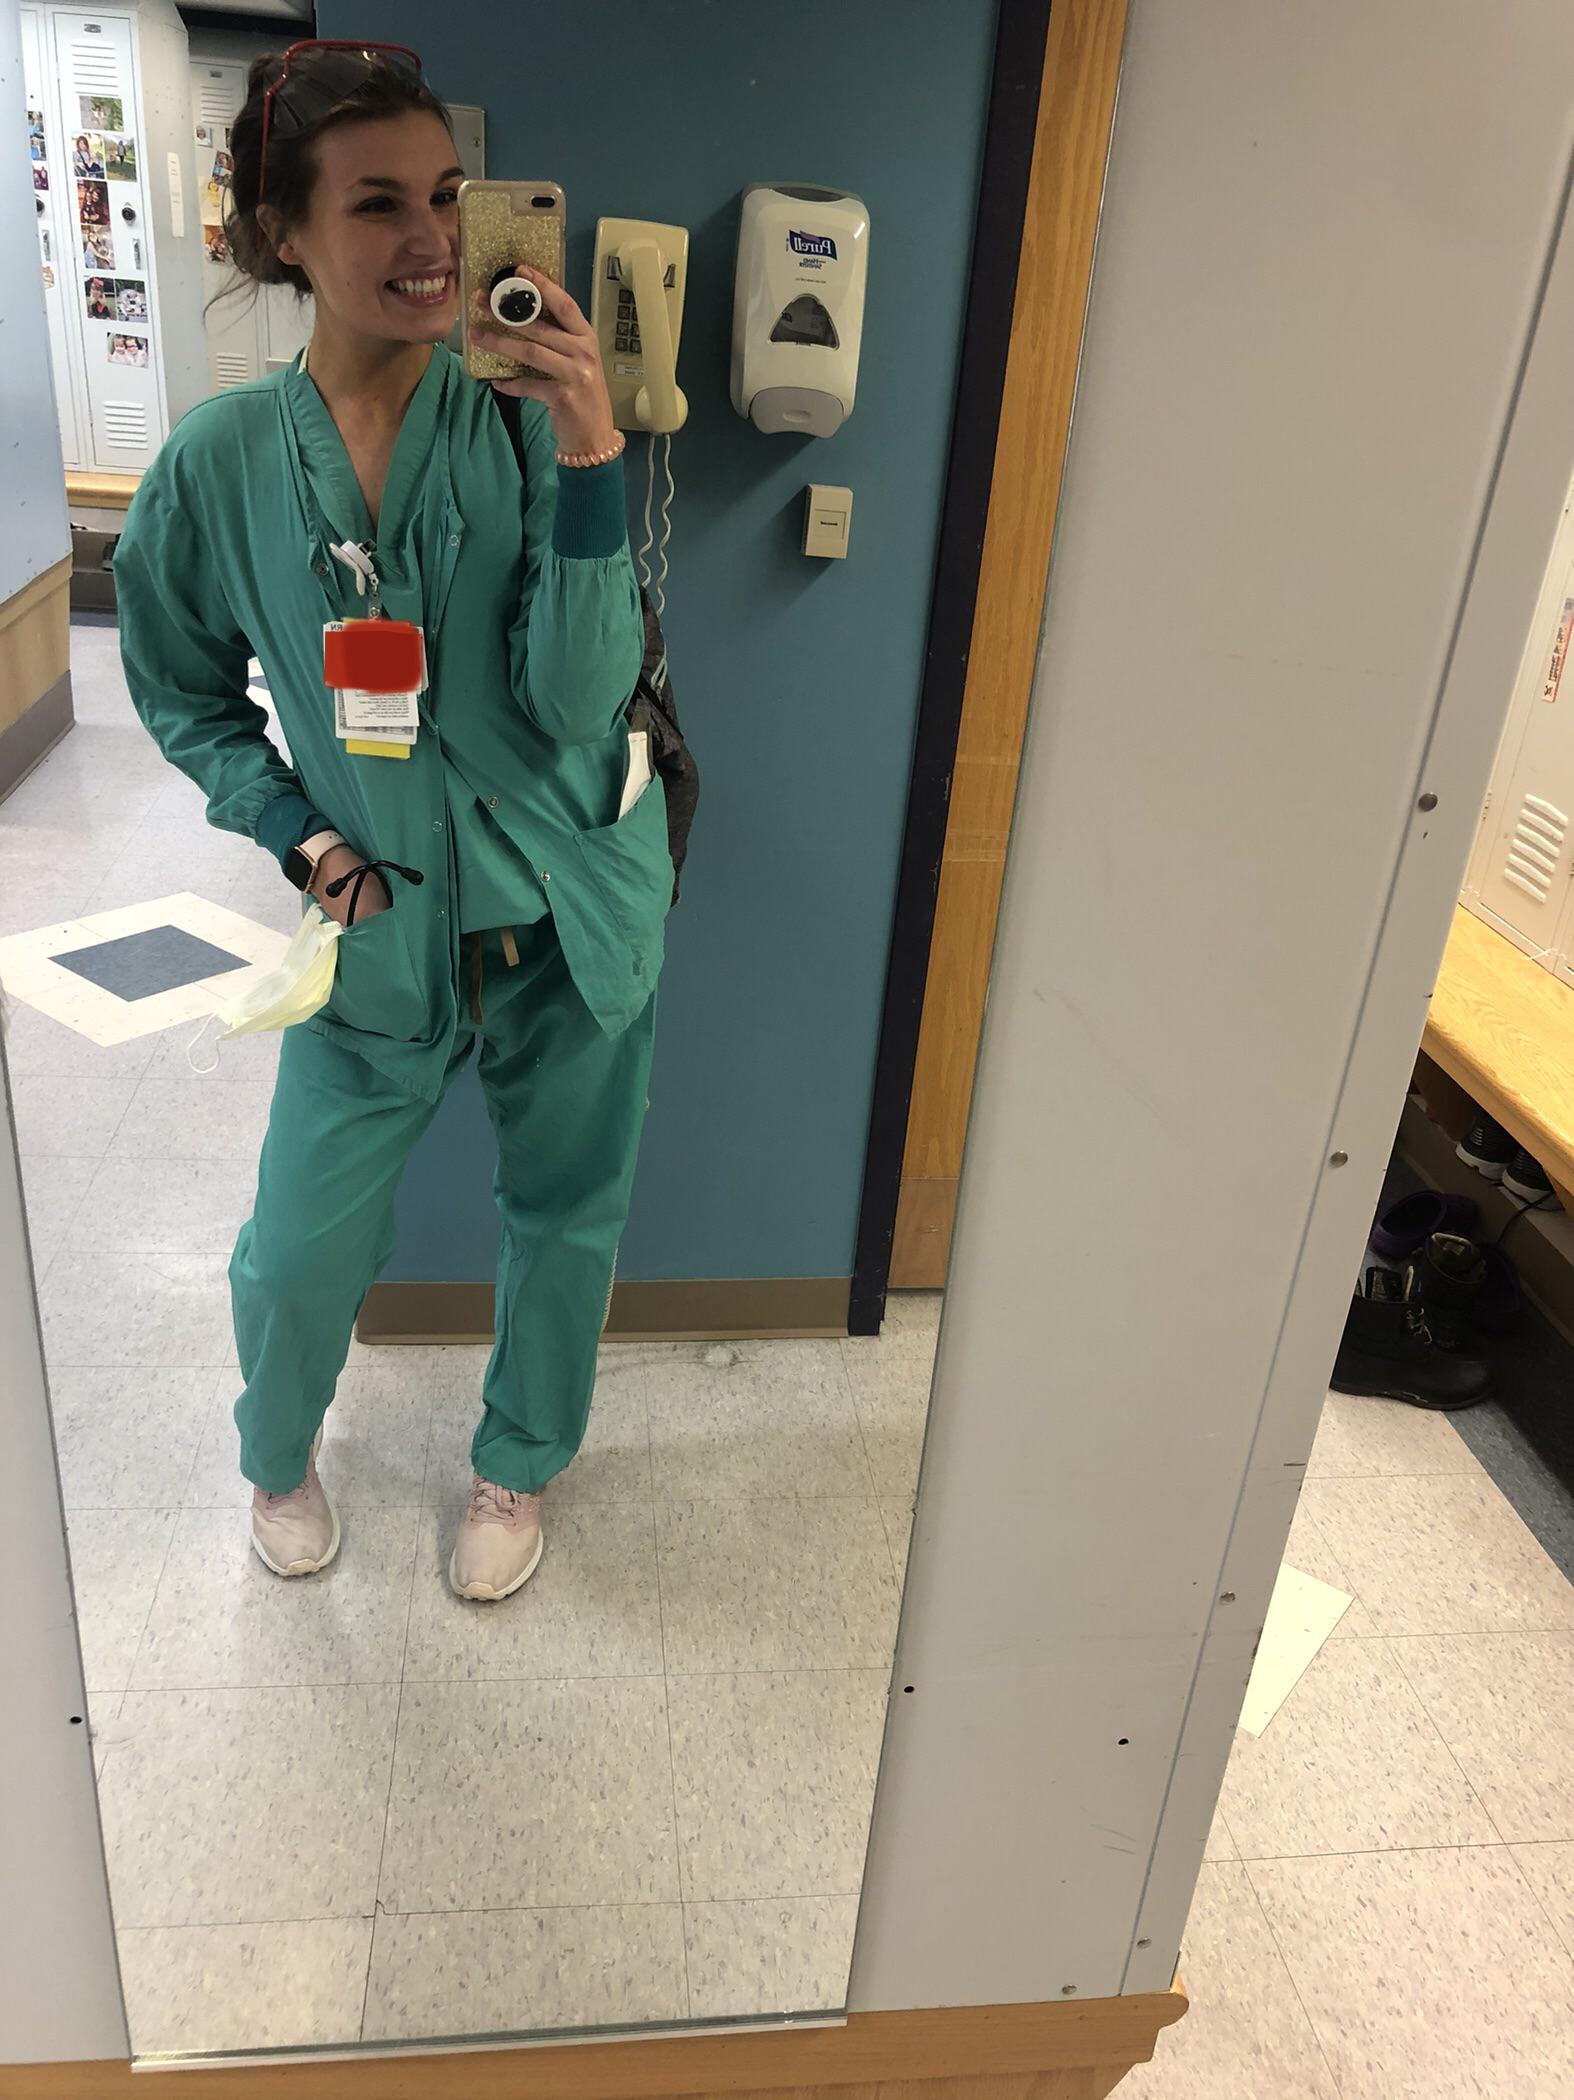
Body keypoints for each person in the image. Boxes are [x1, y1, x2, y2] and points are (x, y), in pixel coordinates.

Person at [112, 43, 667, 1601]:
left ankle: (516, 1464)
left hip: (570, 900)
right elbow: (186, 697)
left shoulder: (512, 420)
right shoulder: (216, 469)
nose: (431, 240)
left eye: (445, 195)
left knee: (565, 1210)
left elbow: (575, 703)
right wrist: (301, 837)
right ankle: (276, 1452)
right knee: (298, 1248)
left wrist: (587, 451)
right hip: (377, 915)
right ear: (282, 233)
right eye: (376, 204)